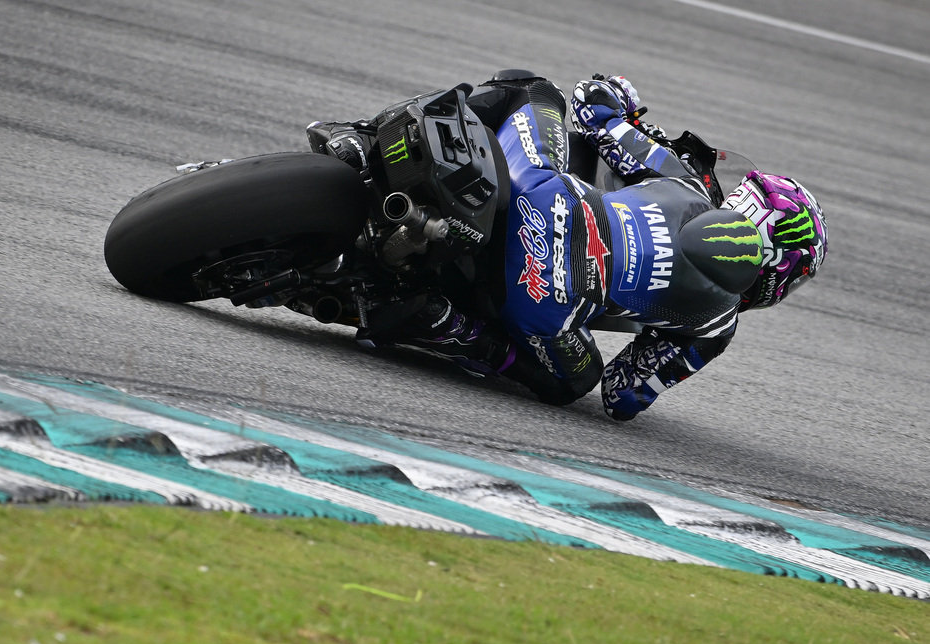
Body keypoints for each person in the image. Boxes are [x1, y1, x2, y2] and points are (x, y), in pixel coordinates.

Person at [309, 71, 828, 420]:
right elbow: (621, 395)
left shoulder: (684, 180)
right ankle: (445, 323)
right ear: (781, 269)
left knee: (529, 87)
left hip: (539, 194)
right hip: (547, 301)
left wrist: (617, 97)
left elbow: (592, 111)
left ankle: (364, 140)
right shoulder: (716, 326)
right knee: (576, 383)